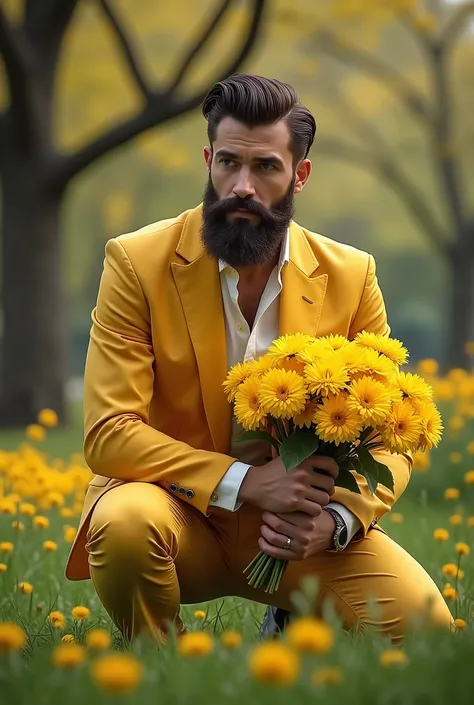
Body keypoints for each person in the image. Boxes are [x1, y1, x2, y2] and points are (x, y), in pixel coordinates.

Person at [65, 74, 452, 645]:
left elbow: (390, 437)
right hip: (176, 519)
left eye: (266, 167)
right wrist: (245, 482)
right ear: (208, 161)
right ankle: (156, 670)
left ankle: (292, 612)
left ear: (300, 174)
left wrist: (337, 520)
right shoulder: (135, 262)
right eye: (228, 163)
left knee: (429, 632)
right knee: (123, 522)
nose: (241, 186)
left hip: (298, 537)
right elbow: (109, 434)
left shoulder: (352, 275)